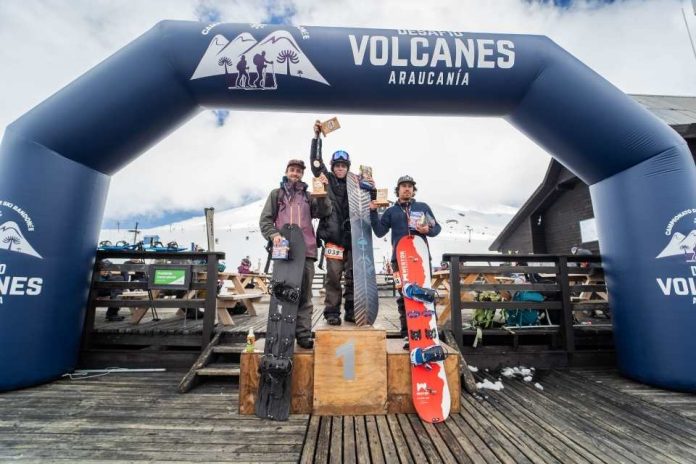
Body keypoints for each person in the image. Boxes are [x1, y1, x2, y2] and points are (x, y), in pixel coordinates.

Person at [259, 158, 332, 349]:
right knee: (281, 294)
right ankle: (280, 333)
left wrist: (322, 192)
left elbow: (324, 212)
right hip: (282, 251)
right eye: (292, 170)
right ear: (286, 171)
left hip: (307, 251)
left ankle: (303, 334)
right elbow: (265, 220)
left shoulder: (309, 196)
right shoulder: (276, 195)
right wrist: (274, 235)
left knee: (304, 296)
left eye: (299, 171)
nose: (295, 173)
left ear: (302, 174)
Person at [369, 175, 441, 348]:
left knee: (425, 295)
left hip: (421, 259)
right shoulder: (391, 211)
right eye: (403, 186)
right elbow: (379, 232)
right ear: (398, 190)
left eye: (410, 186)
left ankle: (431, 333)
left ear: (413, 190)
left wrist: (428, 229)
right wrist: (372, 212)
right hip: (398, 261)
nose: (407, 189)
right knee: (404, 297)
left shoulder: (422, 208)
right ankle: (407, 335)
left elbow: (437, 228)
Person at [310, 120, 355, 325]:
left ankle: (352, 311)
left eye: (343, 166)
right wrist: (317, 137)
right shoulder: (325, 179)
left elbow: (371, 198)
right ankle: (332, 312)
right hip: (333, 239)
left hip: (353, 240)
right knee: (334, 277)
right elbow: (316, 162)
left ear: (347, 167)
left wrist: (372, 187)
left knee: (353, 277)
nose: (339, 169)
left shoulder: (356, 183)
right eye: (337, 165)